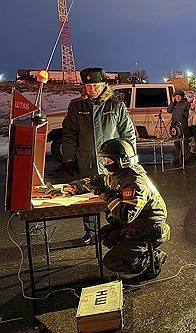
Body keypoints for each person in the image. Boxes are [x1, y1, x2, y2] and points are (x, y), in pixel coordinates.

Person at [68, 138, 170, 281]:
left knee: (111, 261)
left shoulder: (135, 182)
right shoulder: (121, 175)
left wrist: (105, 193)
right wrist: (76, 186)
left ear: (121, 161)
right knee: (106, 234)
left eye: (108, 161)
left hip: (149, 228)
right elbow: (98, 180)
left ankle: (152, 259)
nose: (105, 165)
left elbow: (125, 216)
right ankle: (135, 251)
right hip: (140, 223)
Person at [62, 67, 136, 245]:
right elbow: (69, 135)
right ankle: (91, 233)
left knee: (115, 200)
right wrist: (68, 158)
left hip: (112, 165)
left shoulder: (115, 106)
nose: (92, 89)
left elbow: (128, 135)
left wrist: (130, 160)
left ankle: (118, 232)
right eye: (88, 85)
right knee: (87, 201)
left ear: (104, 85)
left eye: (96, 85)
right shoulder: (76, 107)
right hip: (86, 163)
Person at [167, 90, 191, 164]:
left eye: (178, 96)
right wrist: (172, 102)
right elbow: (169, 110)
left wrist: (183, 112)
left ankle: (185, 157)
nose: (177, 98)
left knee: (184, 142)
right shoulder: (174, 104)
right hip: (175, 126)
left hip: (183, 126)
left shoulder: (186, 104)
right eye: (175, 96)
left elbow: (188, 114)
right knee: (176, 142)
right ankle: (177, 157)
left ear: (182, 97)